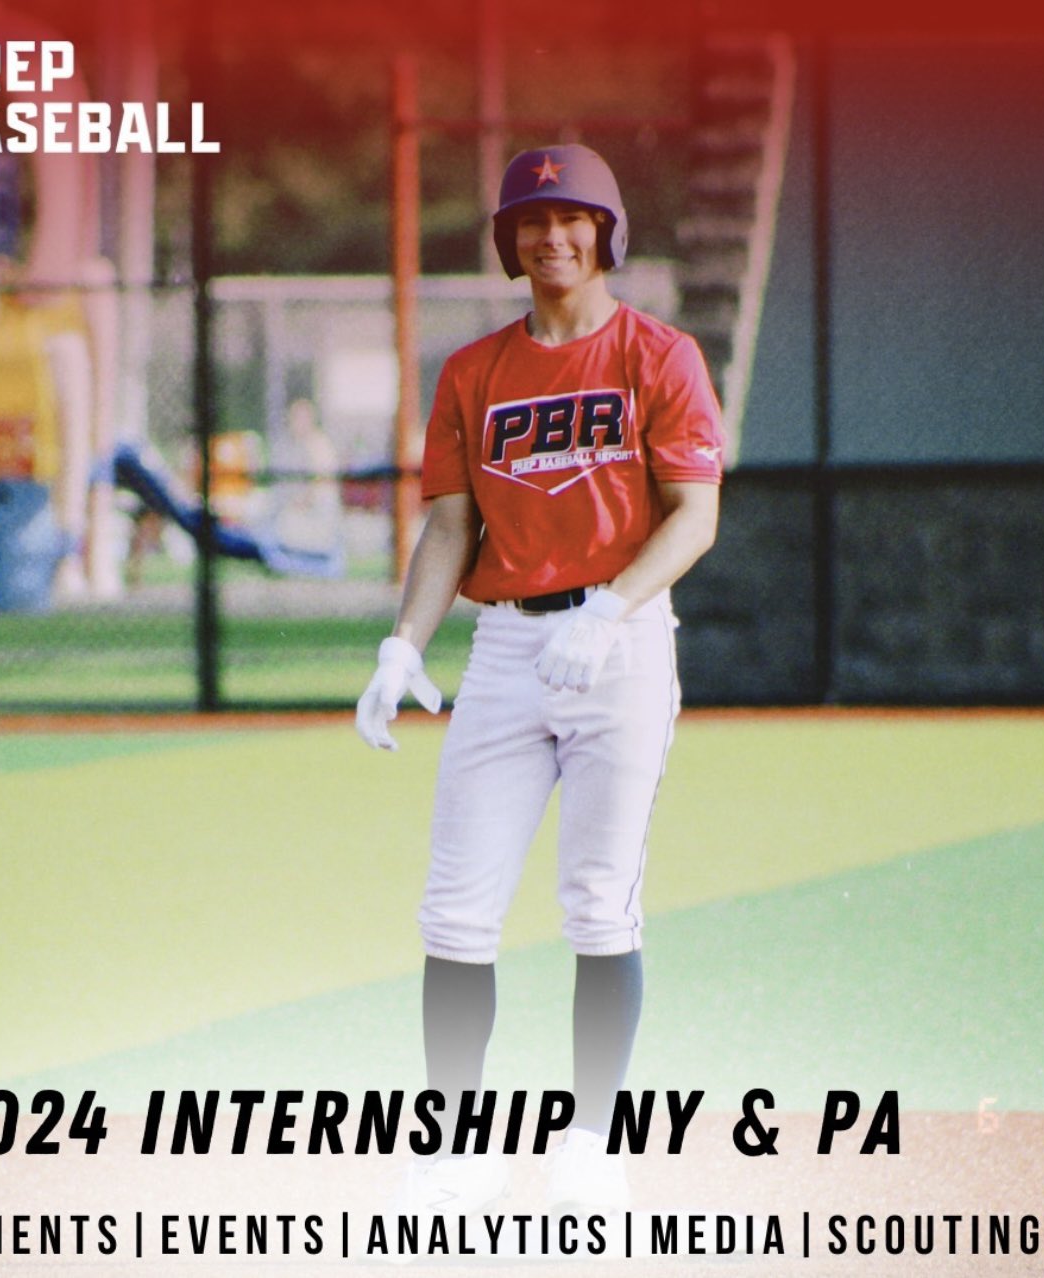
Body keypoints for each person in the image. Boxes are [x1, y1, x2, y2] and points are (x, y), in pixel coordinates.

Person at [355, 144, 724, 1218]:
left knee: (599, 905)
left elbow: (694, 515)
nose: (551, 236)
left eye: (571, 218)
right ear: (507, 241)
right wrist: (402, 646)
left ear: (606, 234)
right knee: (454, 913)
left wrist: (611, 609)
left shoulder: (658, 355)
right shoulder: (474, 371)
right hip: (509, 647)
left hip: (621, 643)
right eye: (530, 220)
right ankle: (455, 1148)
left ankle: (592, 1147)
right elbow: (449, 526)